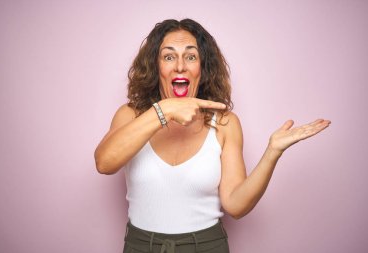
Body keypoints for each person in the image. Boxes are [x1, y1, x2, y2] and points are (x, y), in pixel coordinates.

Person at [94, 18, 330, 253]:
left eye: (191, 56)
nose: (179, 66)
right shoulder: (131, 115)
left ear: (202, 69)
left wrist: (272, 153)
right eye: (168, 56)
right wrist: (164, 110)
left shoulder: (226, 123)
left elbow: (235, 205)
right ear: (156, 68)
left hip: (206, 246)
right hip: (141, 246)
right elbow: (104, 163)